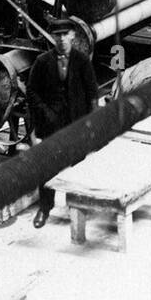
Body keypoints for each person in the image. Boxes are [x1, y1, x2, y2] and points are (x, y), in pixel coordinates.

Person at [27, 19, 98, 228]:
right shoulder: (42, 62)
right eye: (57, 35)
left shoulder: (82, 61)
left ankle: (79, 207)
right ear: (53, 37)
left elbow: (93, 93)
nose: (61, 38)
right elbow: (31, 92)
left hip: (76, 123)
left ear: (73, 36)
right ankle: (45, 208)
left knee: (80, 165)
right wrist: (44, 114)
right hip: (51, 126)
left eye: (65, 34)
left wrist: (92, 124)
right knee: (46, 167)